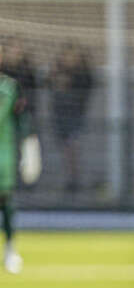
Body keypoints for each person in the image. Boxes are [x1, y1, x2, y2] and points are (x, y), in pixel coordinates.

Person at [0, 40, 37, 274]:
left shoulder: (10, 87)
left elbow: (22, 119)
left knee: (6, 200)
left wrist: (29, 146)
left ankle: (10, 250)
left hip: (3, 153)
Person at [50, 43, 94, 193]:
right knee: (66, 148)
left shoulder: (82, 75)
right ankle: (70, 177)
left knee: (73, 147)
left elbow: (87, 87)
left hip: (75, 116)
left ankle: (74, 178)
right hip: (60, 116)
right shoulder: (58, 72)